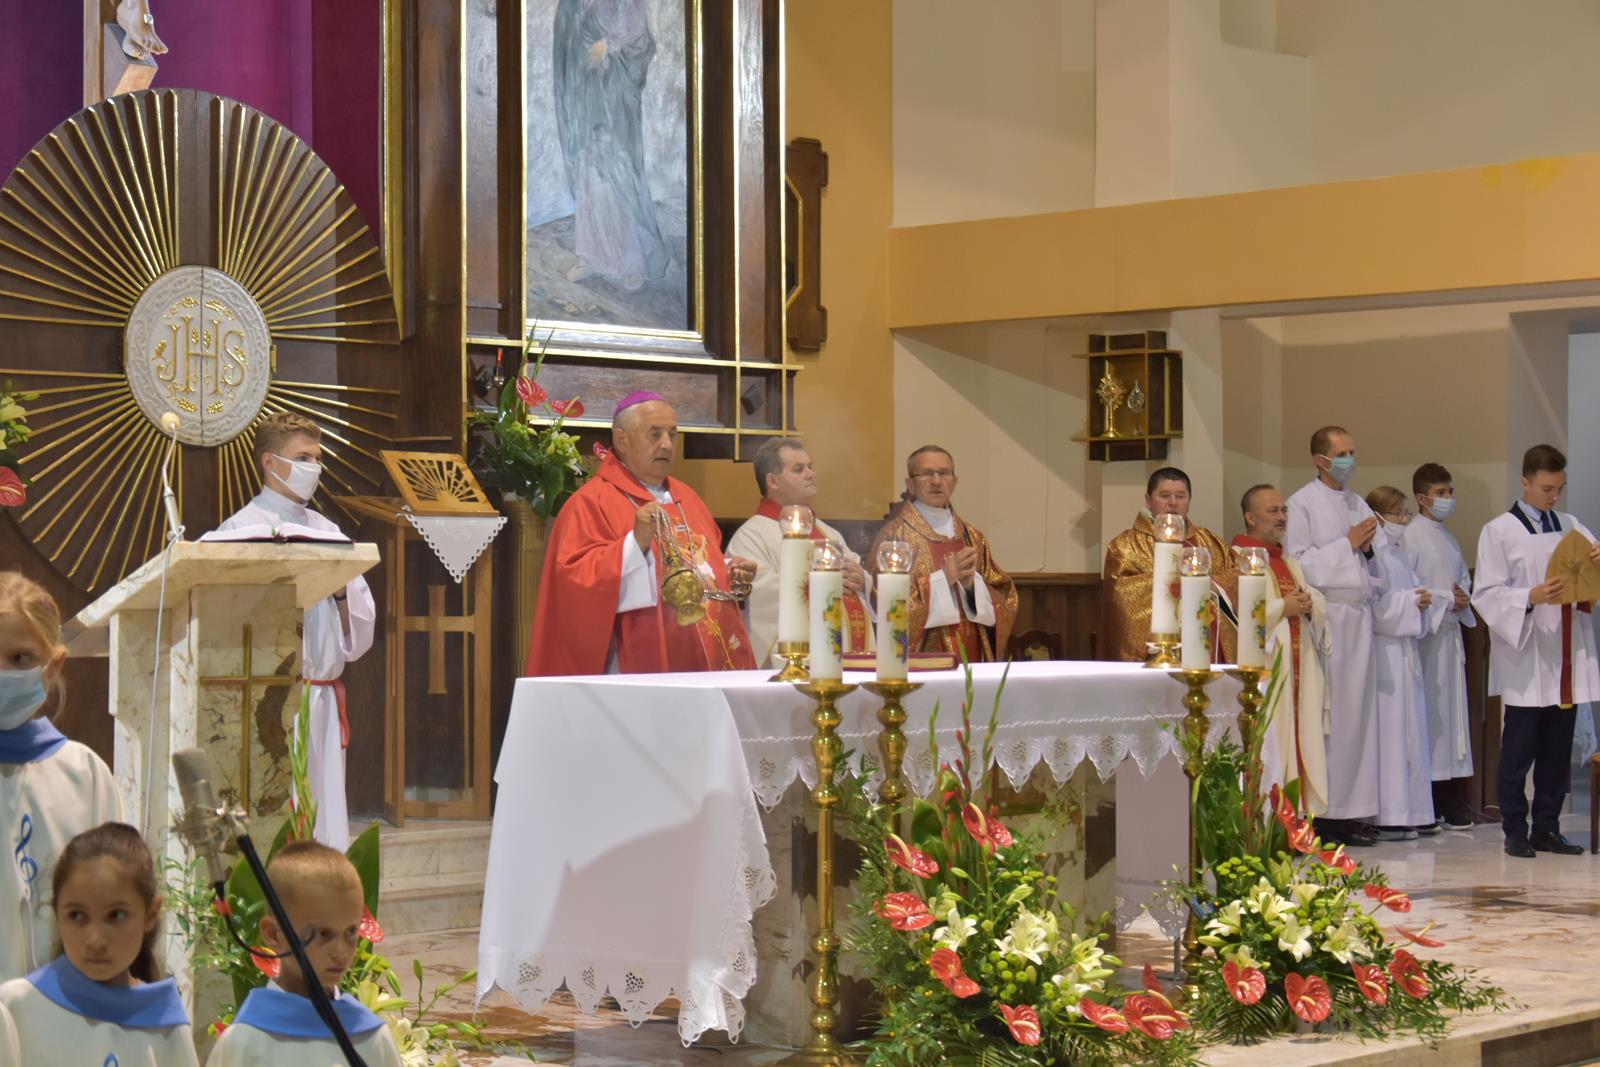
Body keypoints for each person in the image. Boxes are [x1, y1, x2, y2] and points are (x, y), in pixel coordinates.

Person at [216, 413, 375, 852]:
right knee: (274, 819)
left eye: (317, 459)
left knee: (321, 820)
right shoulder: (238, 531)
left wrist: (340, 591)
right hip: (266, 703)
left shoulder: (327, 530)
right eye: (302, 458)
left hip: (320, 701)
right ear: (270, 462)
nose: (313, 468)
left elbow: (358, 637)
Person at [525, 391, 758, 675]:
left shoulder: (688, 498)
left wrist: (726, 570)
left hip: (700, 657)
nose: (667, 444)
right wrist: (635, 545)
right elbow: (575, 583)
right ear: (622, 440)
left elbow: (696, 559)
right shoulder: (590, 502)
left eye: (673, 434)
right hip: (632, 662)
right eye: (655, 434)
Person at [1472, 444, 1600, 858]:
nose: (1554, 496)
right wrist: (1531, 595)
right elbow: (1486, 594)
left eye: (1559, 488)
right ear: (1525, 482)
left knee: (1557, 751)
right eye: (1546, 488)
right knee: (1519, 750)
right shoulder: (1498, 531)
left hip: (1566, 651)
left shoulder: (1571, 525)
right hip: (1527, 654)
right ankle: (1514, 829)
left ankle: (1548, 826)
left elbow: (1591, 577)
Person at [0, 572, 123, 981]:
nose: (2, 672)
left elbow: (116, 894)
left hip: (64, 1002)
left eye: (20, 659)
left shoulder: (84, 773)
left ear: (53, 665)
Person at [0, 823, 197, 1065]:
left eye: (116, 915)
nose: (95, 941)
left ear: (150, 914)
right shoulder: (16, 1008)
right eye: (76, 915)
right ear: (56, 912)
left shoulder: (166, 1027)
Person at [206, 841, 403, 1066]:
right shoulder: (247, 1042)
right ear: (273, 934)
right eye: (323, 934)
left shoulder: (370, 1038)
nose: (340, 952)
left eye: (350, 932)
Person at [1285, 426, 1385, 847]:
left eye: (1352, 452)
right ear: (1320, 460)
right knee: (1332, 719)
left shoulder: (1358, 502)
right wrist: (1347, 544)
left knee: (1359, 720)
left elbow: (1376, 564)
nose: (1349, 460)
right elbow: (1299, 563)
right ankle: (1324, 815)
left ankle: (1352, 812)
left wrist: (1366, 551)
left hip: (1359, 619)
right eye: (1341, 453)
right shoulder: (1301, 504)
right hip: (1329, 620)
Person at [553, 0, 670, 293]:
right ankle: (590, 255)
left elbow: (639, 36)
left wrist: (609, 43)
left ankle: (632, 262)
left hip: (615, 98)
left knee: (619, 175)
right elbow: (569, 37)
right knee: (589, 174)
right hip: (586, 94)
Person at [727, 438, 873, 667]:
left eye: (810, 467)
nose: (811, 474)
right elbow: (758, 596)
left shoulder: (828, 532)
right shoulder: (751, 535)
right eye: (799, 469)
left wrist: (861, 579)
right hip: (798, 662)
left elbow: (856, 578)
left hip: (848, 657)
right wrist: (823, 584)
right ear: (772, 481)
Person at [867, 445, 1017, 662]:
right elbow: (881, 603)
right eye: (926, 473)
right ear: (910, 484)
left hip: (973, 657)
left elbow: (1005, 597)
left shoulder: (974, 537)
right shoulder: (894, 537)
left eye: (944, 473)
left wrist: (972, 588)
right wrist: (943, 579)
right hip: (920, 661)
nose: (936, 481)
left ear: (954, 482)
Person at [1233, 485, 1331, 815]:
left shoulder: (1287, 561)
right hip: (1266, 672)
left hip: (1298, 667)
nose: (1282, 517)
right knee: (1274, 741)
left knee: (1300, 737)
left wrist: (1309, 603)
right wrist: (1281, 608)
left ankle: (1296, 817)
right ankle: (1267, 819)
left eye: (1283, 510)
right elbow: (1236, 615)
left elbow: (1312, 598)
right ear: (1250, 517)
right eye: (1273, 511)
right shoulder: (1237, 558)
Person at [1365, 487, 1446, 840]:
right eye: (1397, 513)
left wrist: (1421, 601)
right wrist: (1411, 602)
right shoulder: (1372, 556)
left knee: (1412, 734)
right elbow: (1375, 608)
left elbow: (1408, 595)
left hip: (1405, 651)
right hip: (1384, 654)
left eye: (1404, 513)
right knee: (1391, 735)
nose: (1403, 519)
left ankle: (1415, 810)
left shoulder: (1398, 554)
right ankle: (1388, 814)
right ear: (1378, 516)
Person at [1401, 463, 1478, 831]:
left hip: (1449, 636)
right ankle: (1427, 800)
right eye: (1441, 493)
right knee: (1430, 718)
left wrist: (1462, 596)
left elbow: (1461, 580)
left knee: (1451, 719)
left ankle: (1451, 799)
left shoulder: (1448, 538)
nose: (1448, 498)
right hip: (1426, 640)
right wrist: (1448, 598)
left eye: (1450, 492)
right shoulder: (1410, 536)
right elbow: (1408, 587)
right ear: (1422, 497)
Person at [1102, 467, 1238, 663]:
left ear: (1189, 501)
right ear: (1148, 500)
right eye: (1165, 496)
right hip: (1158, 652)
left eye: (1180, 496)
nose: (1173, 503)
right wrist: (1179, 583)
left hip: (1210, 647)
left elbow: (1237, 575)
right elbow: (1120, 597)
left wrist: (1214, 584)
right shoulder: (1126, 546)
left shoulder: (1211, 542)